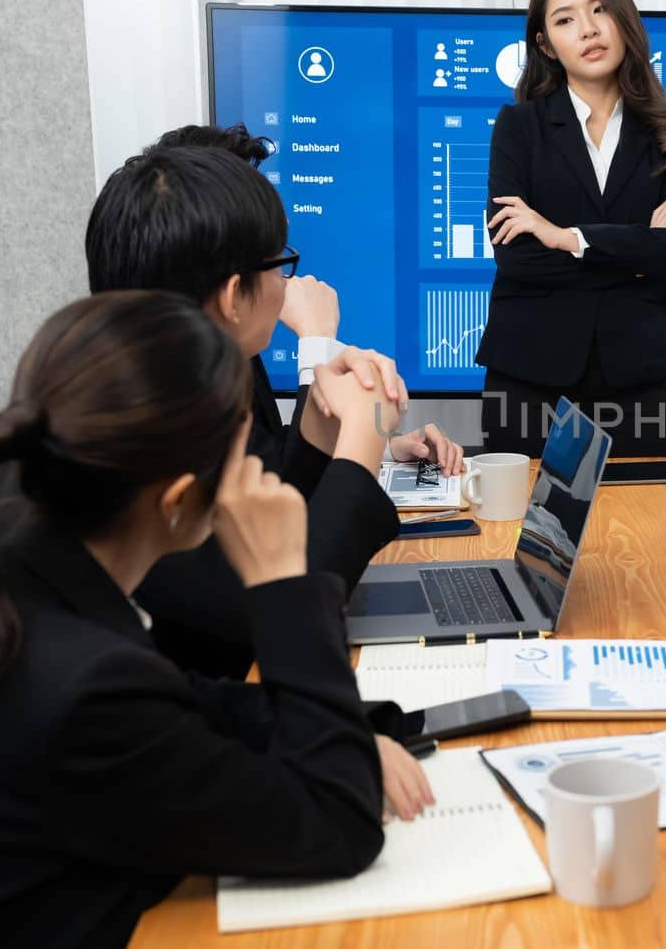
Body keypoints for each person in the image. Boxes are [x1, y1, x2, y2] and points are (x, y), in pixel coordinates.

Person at [0, 292, 435, 948]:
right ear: (177, 500)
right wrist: (283, 581)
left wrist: (355, 737)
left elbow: (186, 708)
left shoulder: (21, 544)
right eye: (245, 454)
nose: (254, 473)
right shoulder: (83, 687)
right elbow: (339, 822)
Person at [84, 143, 449, 678]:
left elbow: (275, 526)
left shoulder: (154, 393)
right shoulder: (139, 447)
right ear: (234, 296)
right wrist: (359, 442)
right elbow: (286, 603)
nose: (287, 285)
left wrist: (321, 429)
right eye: (280, 265)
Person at [476, 0, 666, 456]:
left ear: (623, 20)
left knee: (645, 529)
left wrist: (568, 238)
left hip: (635, 376)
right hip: (529, 376)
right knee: (518, 531)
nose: (587, 29)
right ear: (545, 44)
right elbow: (515, 256)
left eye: (600, 10)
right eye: (565, 20)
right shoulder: (519, 128)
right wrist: (641, 251)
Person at [147, 123, 465, 476]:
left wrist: (385, 448)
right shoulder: (180, 387)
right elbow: (287, 513)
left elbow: (269, 456)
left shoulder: (221, 345)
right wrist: (316, 342)